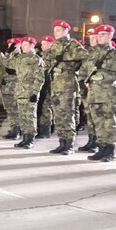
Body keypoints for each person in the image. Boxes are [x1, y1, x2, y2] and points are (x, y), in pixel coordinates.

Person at [79, 25, 116, 161]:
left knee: (109, 123)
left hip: (109, 93)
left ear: (110, 36)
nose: (100, 36)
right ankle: (101, 148)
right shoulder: (93, 53)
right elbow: (84, 69)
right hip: (93, 93)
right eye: (99, 34)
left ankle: (109, 150)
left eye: (103, 34)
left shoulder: (115, 54)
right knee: (98, 122)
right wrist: (82, 82)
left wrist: (106, 65)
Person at [47, 20, 87, 155]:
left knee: (67, 114)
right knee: (58, 115)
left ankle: (69, 144)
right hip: (56, 83)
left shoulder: (72, 44)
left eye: (58, 30)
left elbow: (84, 55)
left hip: (68, 83)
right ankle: (62, 142)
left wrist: (65, 57)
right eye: (54, 30)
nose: (55, 32)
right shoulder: (55, 45)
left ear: (66, 31)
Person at [10, 36, 46, 149]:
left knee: (30, 116)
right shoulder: (19, 58)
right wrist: (11, 52)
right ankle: (24, 138)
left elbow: (40, 77)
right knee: (22, 116)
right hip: (20, 91)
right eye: (22, 45)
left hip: (30, 91)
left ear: (32, 46)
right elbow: (8, 64)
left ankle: (30, 139)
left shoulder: (36, 59)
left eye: (25, 45)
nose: (23, 47)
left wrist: (35, 92)